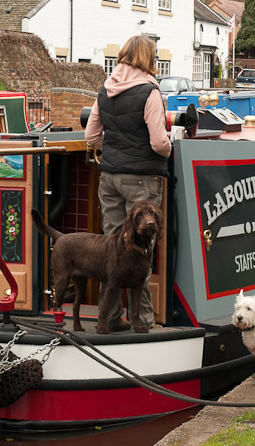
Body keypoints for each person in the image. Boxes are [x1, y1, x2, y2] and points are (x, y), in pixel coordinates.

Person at [84, 35, 171, 331]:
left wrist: (114, 149)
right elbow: (159, 142)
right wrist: (169, 151)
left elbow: (91, 137)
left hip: (108, 177)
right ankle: (143, 322)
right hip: (141, 181)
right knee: (142, 249)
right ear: (148, 58)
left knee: (112, 249)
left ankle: (108, 319)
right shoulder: (150, 91)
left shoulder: (105, 89)